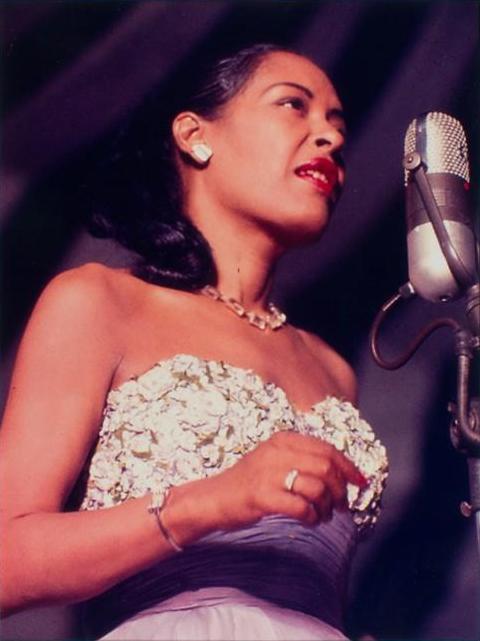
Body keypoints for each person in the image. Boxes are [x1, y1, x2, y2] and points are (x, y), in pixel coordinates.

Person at [0, 43, 388, 640]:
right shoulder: (100, 301)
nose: (331, 138)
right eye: (294, 105)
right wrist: (210, 501)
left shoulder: (332, 370)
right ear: (195, 136)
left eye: (338, 125)